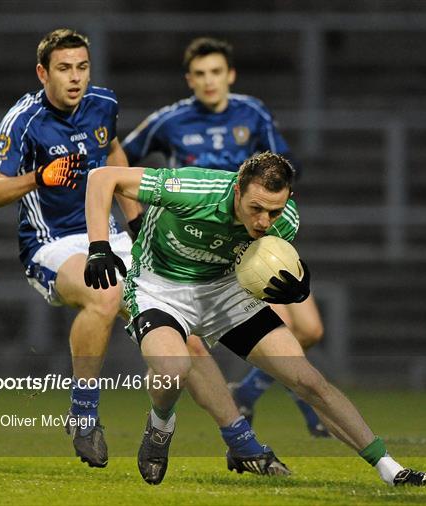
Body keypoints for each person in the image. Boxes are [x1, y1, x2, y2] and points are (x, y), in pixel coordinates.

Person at [0, 29, 287, 476]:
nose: (75, 77)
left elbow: (115, 153)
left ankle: (243, 442)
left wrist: (137, 220)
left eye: (82, 67)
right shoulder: (22, 120)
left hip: (109, 236)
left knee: (185, 337)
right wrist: (39, 177)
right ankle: (83, 415)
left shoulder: (103, 103)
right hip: (51, 243)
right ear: (43, 72)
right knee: (103, 294)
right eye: (64, 68)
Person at [83, 151, 426, 488]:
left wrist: (297, 288)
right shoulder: (193, 189)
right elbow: (102, 178)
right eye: (255, 208)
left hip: (224, 292)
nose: (263, 221)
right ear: (237, 190)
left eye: (273, 211)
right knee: (173, 369)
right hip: (160, 287)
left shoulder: (285, 221)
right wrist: (98, 246)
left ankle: (392, 470)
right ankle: (160, 426)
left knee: (308, 380)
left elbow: (265, 267)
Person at [122, 36, 328, 437]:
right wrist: (137, 220)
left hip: (254, 234)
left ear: (230, 74)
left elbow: (287, 165)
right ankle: (265, 421)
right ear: (189, 80)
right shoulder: (170, 120)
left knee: (310, 328)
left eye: (216, 72)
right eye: (199, 74)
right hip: (201, 238)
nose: (208, 81)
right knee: (277, 323)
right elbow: (121, 161)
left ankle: (248, 394)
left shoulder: (251, 113)